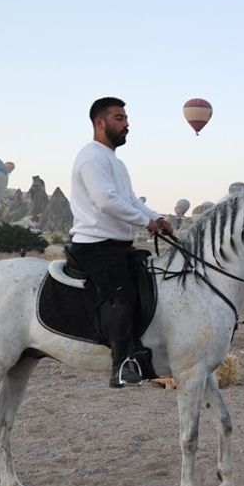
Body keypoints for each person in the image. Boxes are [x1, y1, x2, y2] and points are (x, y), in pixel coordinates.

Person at [69, 97, 173, 388]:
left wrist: (157, 217)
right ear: (99, 123)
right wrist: (146, 223)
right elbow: (106, 202)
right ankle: (121, 365)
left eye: (126, 118)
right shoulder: (91, 157)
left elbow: (128, 200)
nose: (126, 124)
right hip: (95, 245)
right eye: (119, 118)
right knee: (123, 295)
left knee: (151, 285)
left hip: (117, 245)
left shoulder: (114, 161)